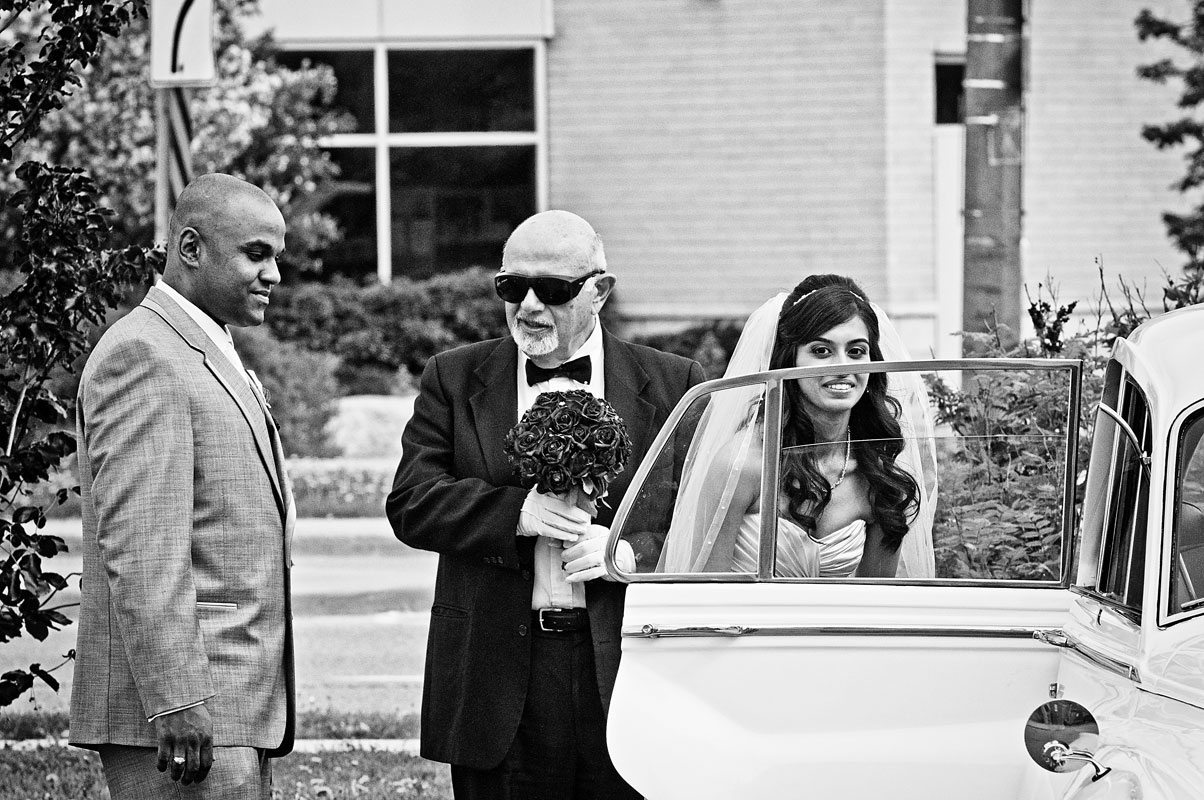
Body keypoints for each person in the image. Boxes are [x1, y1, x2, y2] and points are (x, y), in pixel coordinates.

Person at [386, 210, 705, 798]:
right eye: (512, 287)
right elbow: (410, 501)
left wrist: (632, 552)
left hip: (624, 668)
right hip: (496, 676)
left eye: (553, 290)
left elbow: (704, 521)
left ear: (599, 292)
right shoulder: (454, 378)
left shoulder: (674, 384)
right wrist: (515, 516)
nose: (528, 306)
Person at [69, 173, 295, 799]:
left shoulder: (206, 344)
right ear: (191, 249)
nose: (274, 274)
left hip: (229, 712)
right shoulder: (142, 355)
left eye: (277, 256)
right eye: (257, 253)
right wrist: (177, 696)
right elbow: (142, 548)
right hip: (185, 722)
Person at [658, 274, 937, 577]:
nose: (843, 367)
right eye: (821, 351)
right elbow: (706, 596)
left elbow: (877, 606)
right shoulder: (742, 464)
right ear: (788, 362)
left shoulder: (878, 475)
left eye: (856, 351)